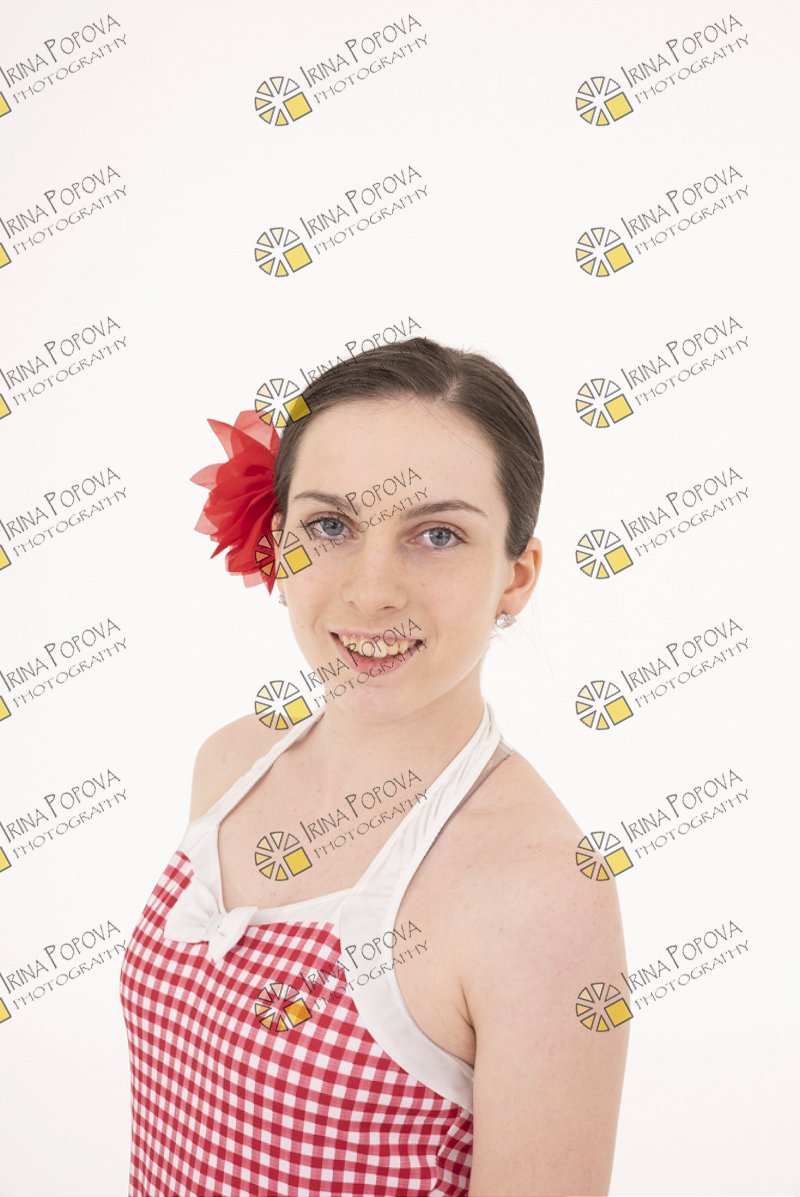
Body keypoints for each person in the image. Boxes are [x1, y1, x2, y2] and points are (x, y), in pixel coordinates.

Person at [119, 336, 628, 1197]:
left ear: (517, 576)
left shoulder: (543, 890)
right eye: (331, 526)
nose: (372, 590)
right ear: (278, 546)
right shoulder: (231, 762)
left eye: (438, 534)